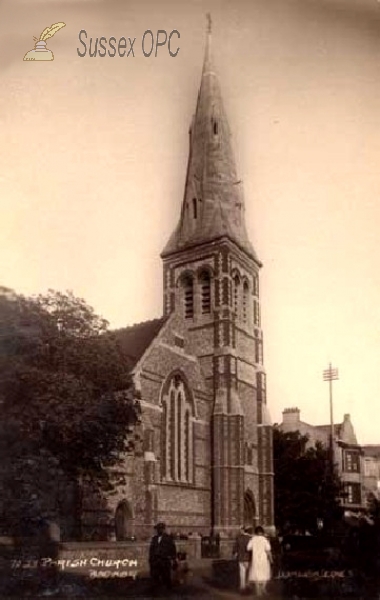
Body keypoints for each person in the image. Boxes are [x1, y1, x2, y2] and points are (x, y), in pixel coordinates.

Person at [149, 522, 177, 593]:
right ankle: (156, 592)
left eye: (160, 529)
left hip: (164, 561)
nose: (159, 530)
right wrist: (151, 560)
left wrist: (174, 559)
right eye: (158, 529)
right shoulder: (154, 539)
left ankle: (169, 591)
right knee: (155, 577)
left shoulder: (168, 538)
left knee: (166, 577)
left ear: (163, 529)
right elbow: (151, 550)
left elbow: (172, 549)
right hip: (155, 562)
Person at [247, 525, 272, 596]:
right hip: (263, 559)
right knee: (265, 574)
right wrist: (271, 559)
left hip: (255, 559)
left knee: (256, 575)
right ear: (262, 532)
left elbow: (248, 548)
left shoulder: (252, 539)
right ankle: (263, 589)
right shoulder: (265, 540)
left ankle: (258, 591)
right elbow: (268, 549)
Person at [233, 526, 252, 592]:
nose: (240, 531)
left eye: (241, 530)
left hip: (241, 557)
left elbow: (235, 547)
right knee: (249, 572)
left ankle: (242, 586)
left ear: (243, 530)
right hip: (248, 558)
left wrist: (235, 554)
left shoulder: (239, 538)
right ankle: (248, 585)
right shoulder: (250, 538)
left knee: (242, 572)